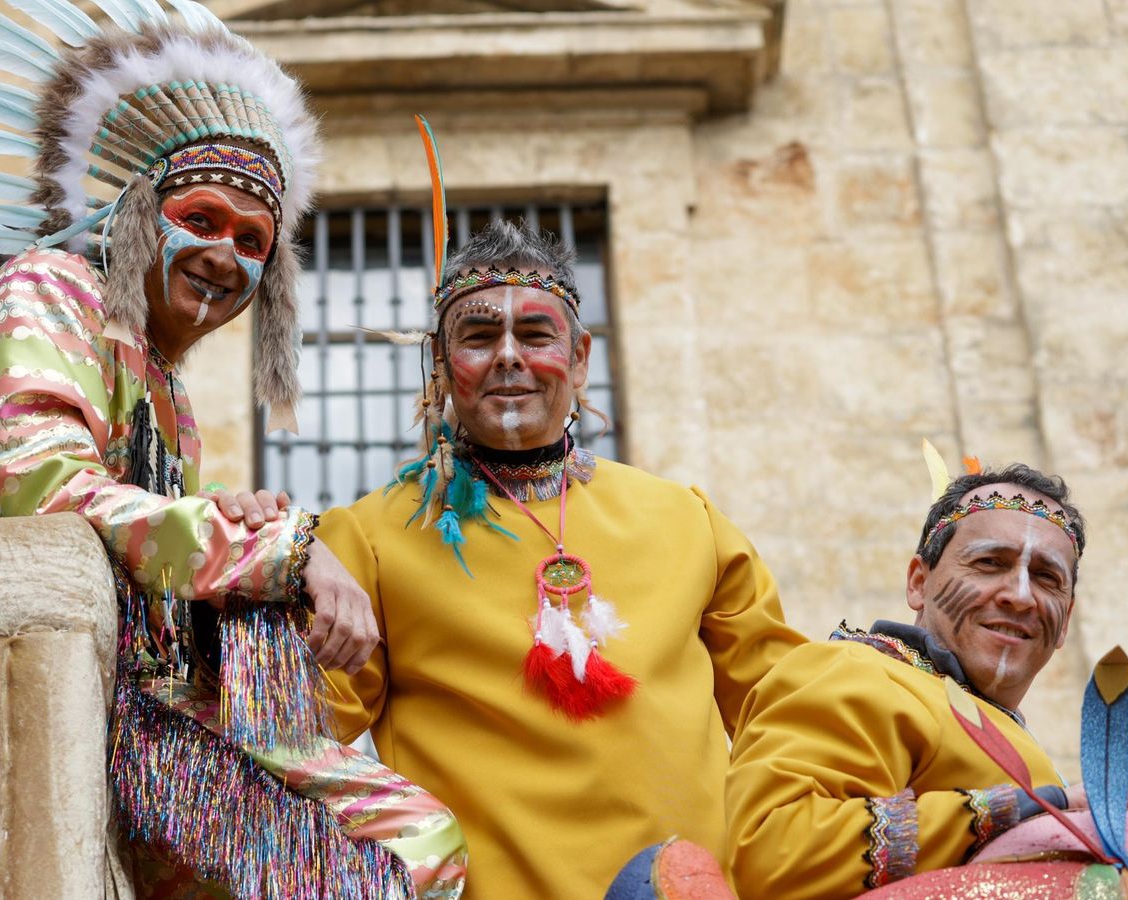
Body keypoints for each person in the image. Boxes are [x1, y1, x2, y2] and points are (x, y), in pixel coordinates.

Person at [0, 5, 461, 896]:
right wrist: (286, 552)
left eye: (252, 241)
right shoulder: (49, 288)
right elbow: (50, 495)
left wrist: (232, 527)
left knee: (410, 839)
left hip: (122, 699)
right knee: (405, 847)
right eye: (202, 218)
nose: (225, 255)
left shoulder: (167, 393)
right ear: (135, 215)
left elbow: (147, 576)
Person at [315, 215, 806, 898]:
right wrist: (260, 552)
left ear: (579, 358)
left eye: (535, 334)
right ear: (440, 367)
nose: (507, 356)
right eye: (478, 337)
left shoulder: (689, 520)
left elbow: (786, 713)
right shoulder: (370, 537)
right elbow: (300, 731)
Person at [724, 462, 1087, 899]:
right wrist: (1024, 812)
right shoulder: (857, 671)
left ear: (1065, 621)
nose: (1021, 595)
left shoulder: (994, 723)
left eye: (1046, 577)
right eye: (990, 563)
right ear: (918, 582)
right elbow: (775, 850)